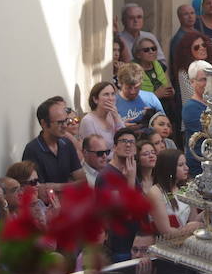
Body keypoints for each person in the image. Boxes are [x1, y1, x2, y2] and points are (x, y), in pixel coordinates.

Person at [22, 96, 85, 191]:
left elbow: (83, 182)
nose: (65, 126)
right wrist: (69, 186)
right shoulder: (33, 150)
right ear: (44, 124)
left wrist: (57, 187)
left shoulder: (67, 144)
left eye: (65, 121)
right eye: (60, 122)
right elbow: (38, 190)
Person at [102, 128, 139, 262]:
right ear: (115, 147)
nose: (128, 145)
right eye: (123, 141)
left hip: (137, 243)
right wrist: (130, 181)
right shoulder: (107, 175)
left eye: (132, 142)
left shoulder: (131, 169)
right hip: (120, 246)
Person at [146, 149, 202, 238]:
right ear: (168, 168)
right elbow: (166, 232)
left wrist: (209, 210)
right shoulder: (156, 192)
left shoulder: (186, 188)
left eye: (185, 163)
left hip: (185, 238)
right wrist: (188, 229)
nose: (186, 168)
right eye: (180, 165)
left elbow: (193, 219)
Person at [132, 37, 177, 129]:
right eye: (146, 50)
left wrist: (171, 91)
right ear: (138, 54)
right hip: (145, 114)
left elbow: (168, 85)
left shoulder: (160, 65)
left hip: (165, 109)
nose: (151, 51)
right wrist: (155, 95)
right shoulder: (133, 70)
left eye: (154, 48)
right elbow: (133, 97)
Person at [171, 32, 212, 123]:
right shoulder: (184, 73)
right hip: (196, 116)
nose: (202, 48)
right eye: (196, 47)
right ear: (188, 51)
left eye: (203, 45)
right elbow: (194, 94)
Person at [182, 60, 212, 176]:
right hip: (199, 163)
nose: (208, 83)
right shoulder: (190, 108)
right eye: (203, 79)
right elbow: (210, 132)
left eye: (210, 78)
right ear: (192, 82)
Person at [80, 81, 125, 146]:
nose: (111, 98)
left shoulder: (114, 115)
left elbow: (125, 138)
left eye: (113, 94)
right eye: (106, 94)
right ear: (95, 99)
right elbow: (94, 149)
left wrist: (116, 117)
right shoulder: (88, 121)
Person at [169, 3, 198, 71]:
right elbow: (178, 64)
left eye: (192, 13)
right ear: (179, 17)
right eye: (186, 14)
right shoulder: (178, 39)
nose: (190, 16)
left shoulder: (197, 32)